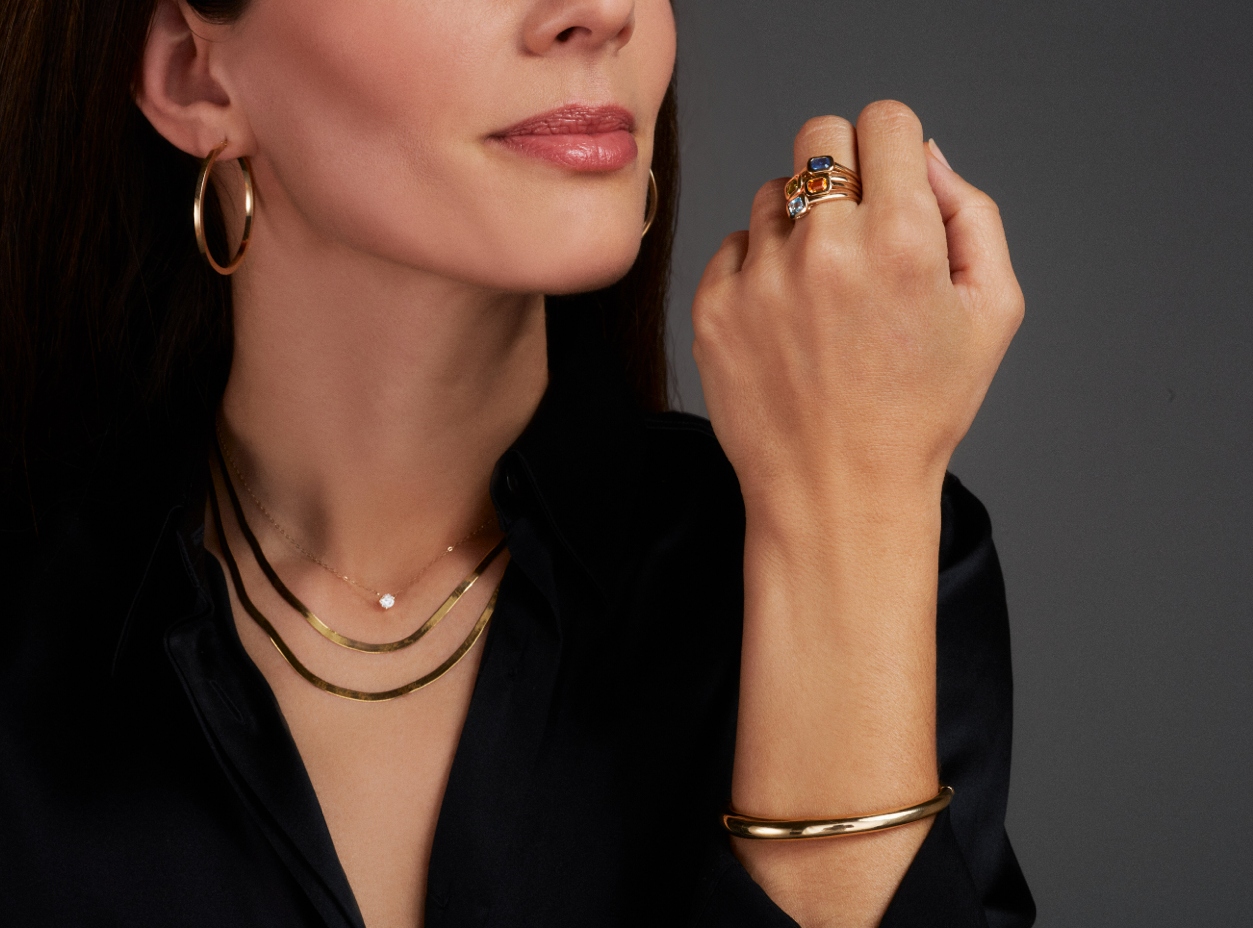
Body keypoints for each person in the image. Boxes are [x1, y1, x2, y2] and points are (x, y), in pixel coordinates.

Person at [0, 0, 1033, 926]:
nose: (600, 11)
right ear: (195, 71)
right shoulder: (37, 643)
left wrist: (845, 518)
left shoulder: (870, 553)